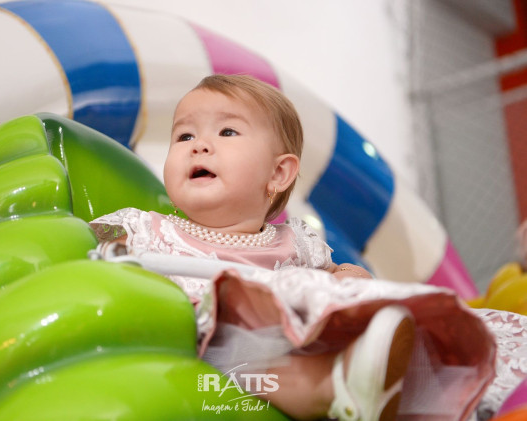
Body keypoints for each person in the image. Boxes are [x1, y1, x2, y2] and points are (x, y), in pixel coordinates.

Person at [89, 74, 521, 420]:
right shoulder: (143, 226)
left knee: (411, 320)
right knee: (244, 347)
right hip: (211, 350)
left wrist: (349, 278)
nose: (199, 145)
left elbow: (338, 277)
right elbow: (83, 248)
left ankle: (443, 382)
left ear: (278, 174)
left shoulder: (296, 243)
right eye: (184, 136)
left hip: (300, 339)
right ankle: (334, 389)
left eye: (227, 131)